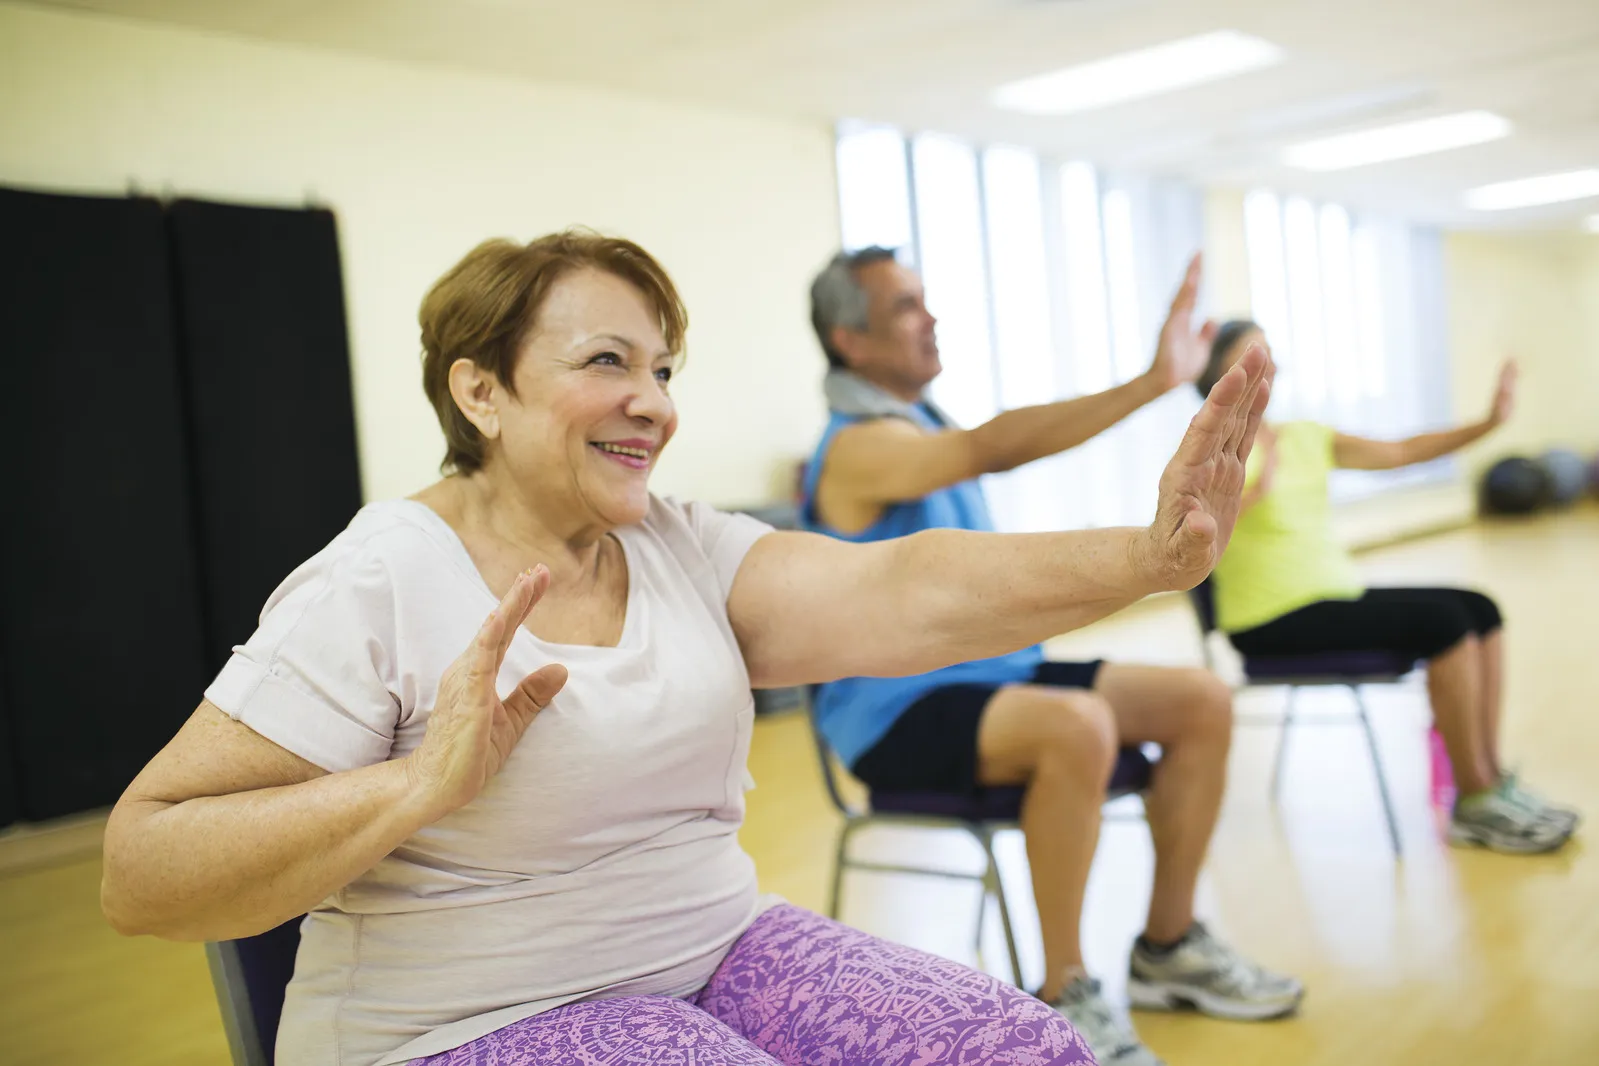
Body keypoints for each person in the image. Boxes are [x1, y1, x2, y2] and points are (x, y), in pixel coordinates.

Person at [99, 230, 1272, 1066]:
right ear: (480, 392)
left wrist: (1149, 557)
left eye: (662, 368)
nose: (654, 400)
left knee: (1022, 1044)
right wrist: (413, 787)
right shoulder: (381, 575)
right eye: (607, 360)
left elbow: (900, 587)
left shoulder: (678, 542)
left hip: (713, 949)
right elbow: (141, 869)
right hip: (455, 1022)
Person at [802, 247, 1302, 1066]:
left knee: (1202, 701)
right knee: (1076, 725)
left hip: (993, 674)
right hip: (891, 710)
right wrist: (1149, 384)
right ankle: (1063, 989)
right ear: (847, 341)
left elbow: (978, 448)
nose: (928, 318)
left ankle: (1167, 948)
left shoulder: (918, 422)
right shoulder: (858, 446)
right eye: (903, 307)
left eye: (924, 300)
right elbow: (991, 447)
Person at [1199, 319, 1579, 855]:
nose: (1265, 361)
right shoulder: (1209, 450)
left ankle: (1490, 781)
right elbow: (1196, 534)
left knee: (1479, 608)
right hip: (1268, 619)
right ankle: (1472, 801)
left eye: (1268, 350)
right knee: (1443, 625)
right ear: (1218, 373)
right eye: (1248, 353)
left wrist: (1488, 423)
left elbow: (1400, 451)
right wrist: (1256, 486)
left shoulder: (1302, 436)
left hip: (1334, 597)